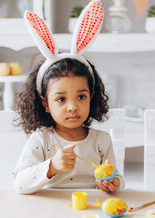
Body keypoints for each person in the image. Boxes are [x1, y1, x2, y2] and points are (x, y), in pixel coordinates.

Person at [12, 0, 125, 194]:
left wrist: (112, 184)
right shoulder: (42, 140)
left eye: (81, 97)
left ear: (92, 96)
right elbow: (20, 184)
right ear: (45, 103)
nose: (72, 107)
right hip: (51, 214)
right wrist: (52, 166)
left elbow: (119, 182)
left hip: (91, 214)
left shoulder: (102, 140)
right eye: (61, 99)